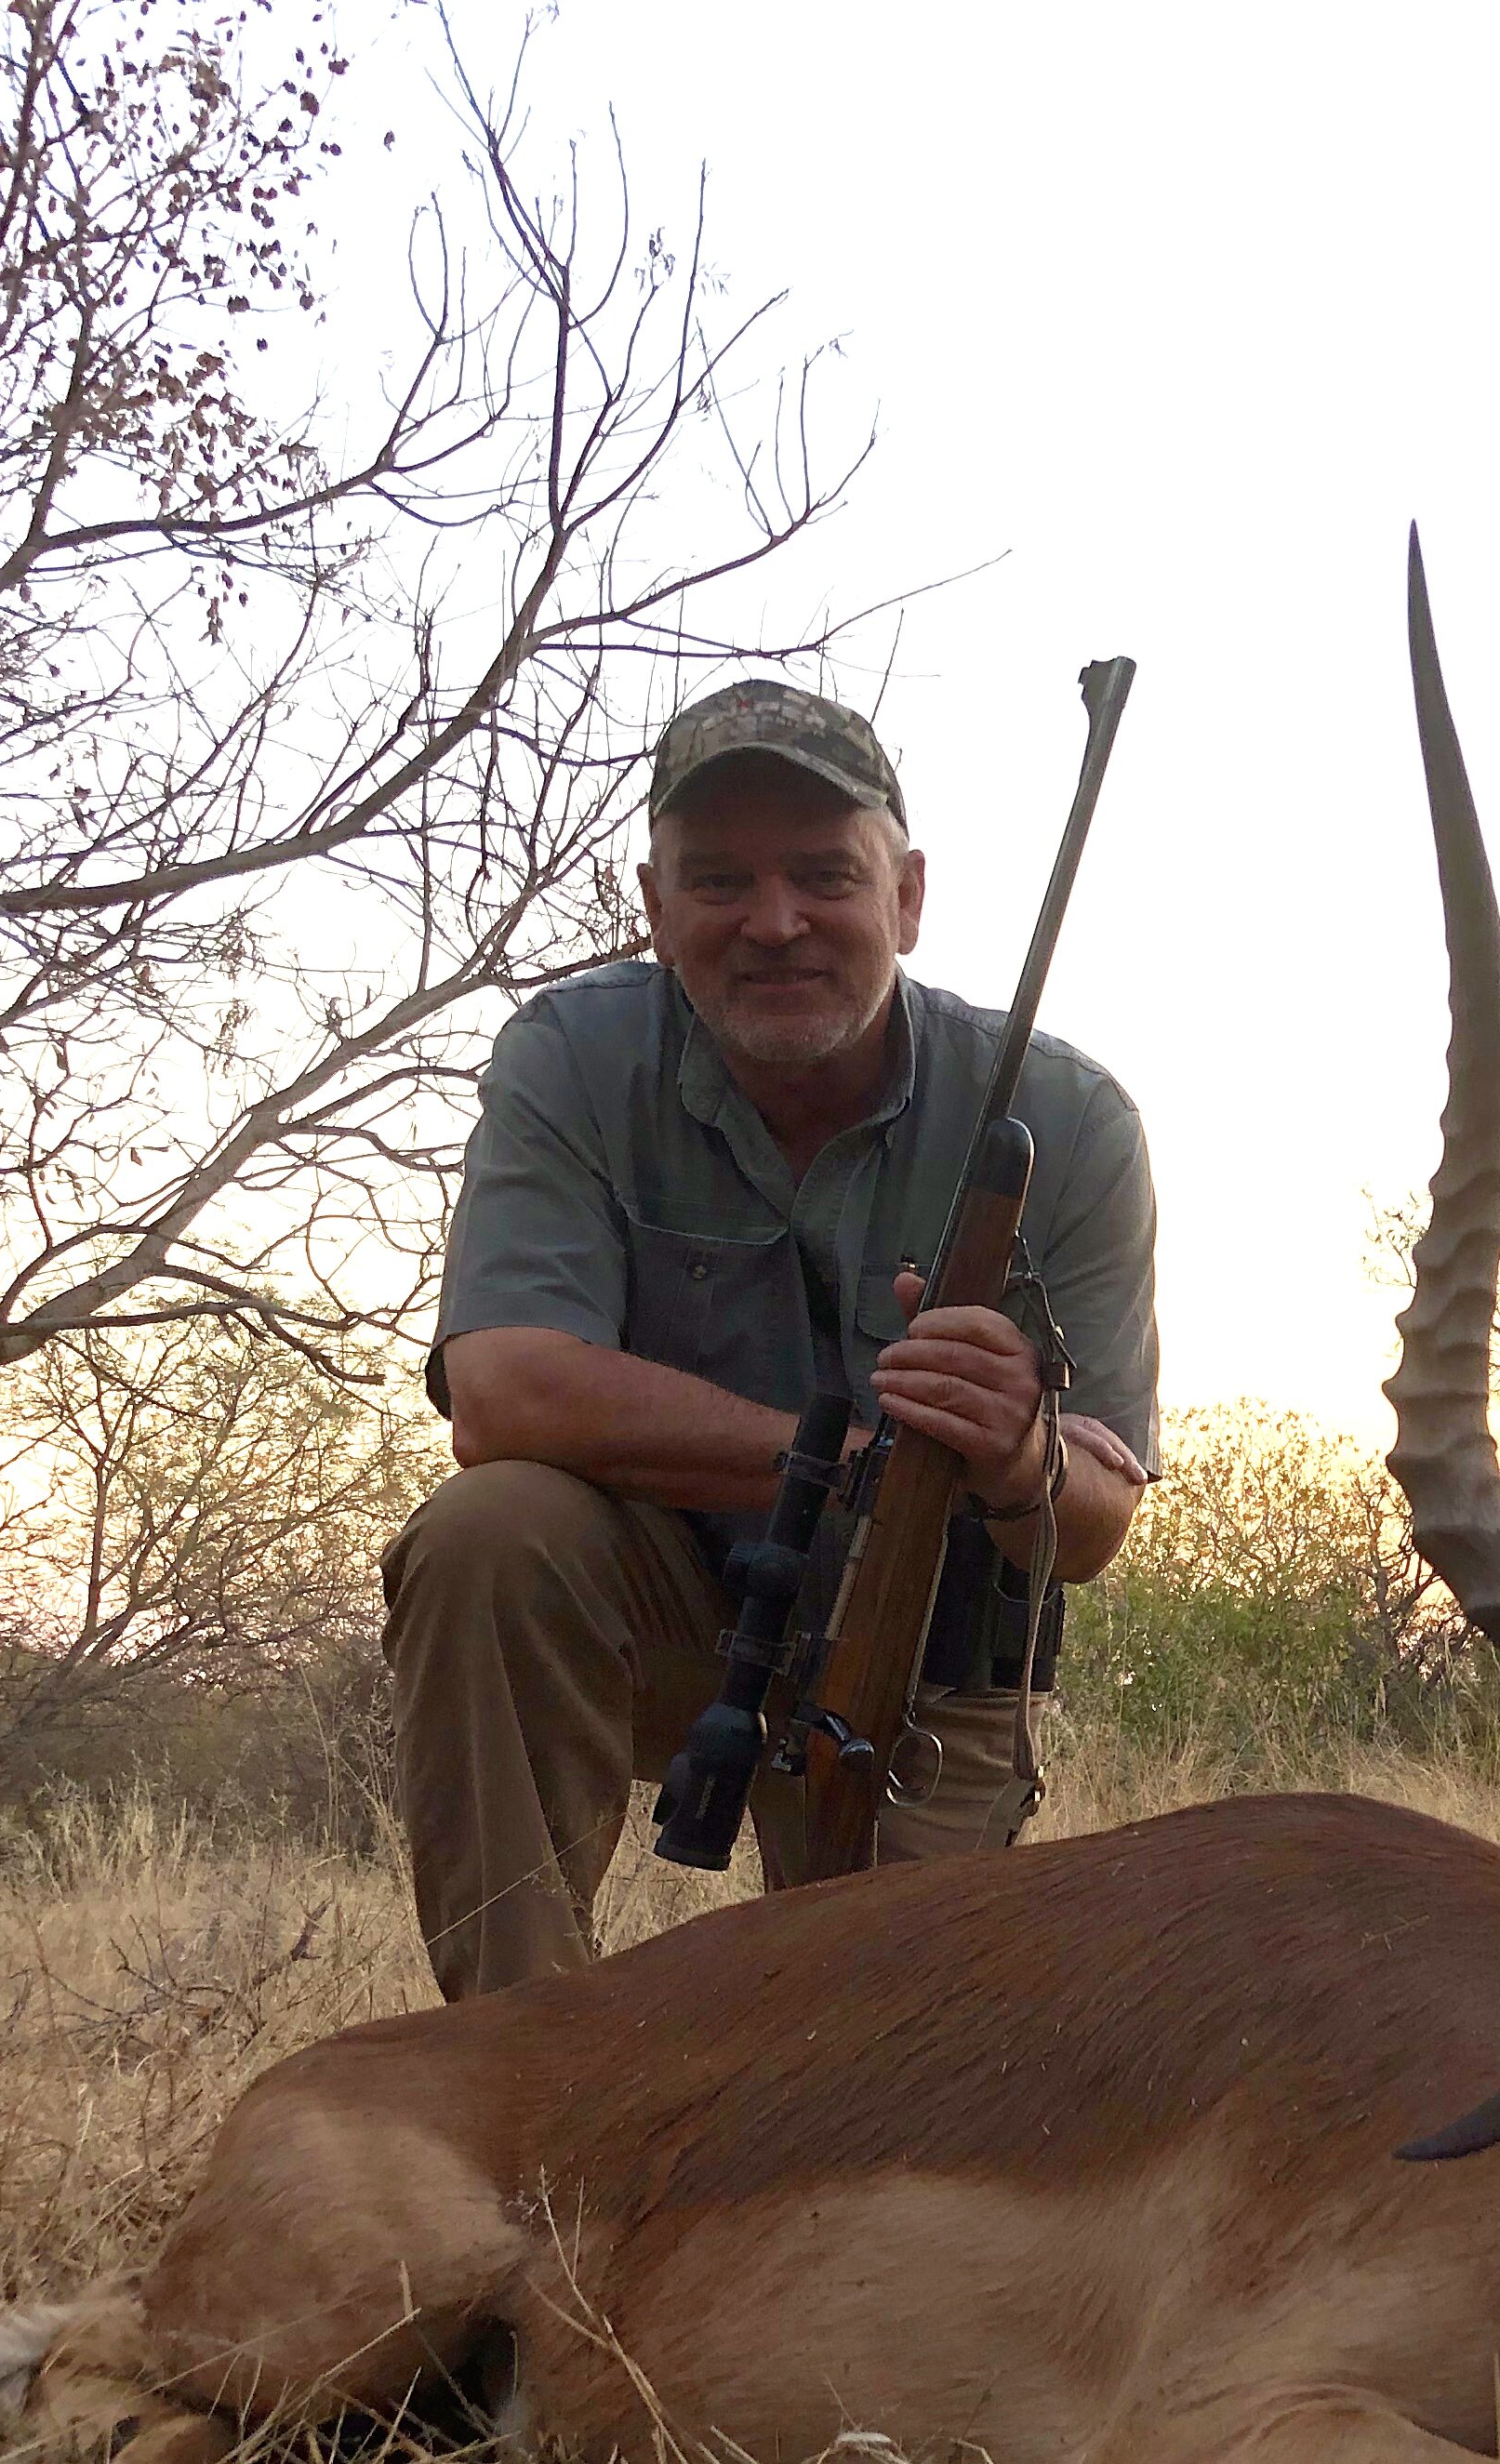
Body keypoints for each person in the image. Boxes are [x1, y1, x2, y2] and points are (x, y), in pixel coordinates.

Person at [385, 681, 1158, 2000]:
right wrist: (861, 1461)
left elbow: (1088, 1527)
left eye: (823, 876)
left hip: (921, 1651)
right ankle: (523, 2083)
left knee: (880, 2067)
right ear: (655, 906)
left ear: (907, 896)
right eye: (721, 882)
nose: (776, 923)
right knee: (485, 1533)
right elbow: (501, 1393)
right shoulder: (571, 1058)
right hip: (662, 1611)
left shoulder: (1072, 1118)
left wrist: (1015, 1452)